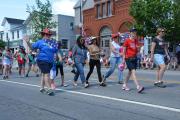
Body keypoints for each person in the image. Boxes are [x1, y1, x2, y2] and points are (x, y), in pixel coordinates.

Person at [25, 28, 58, 96]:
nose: (48, 36)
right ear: (43, 34)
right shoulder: (40, 42)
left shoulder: (52, 42)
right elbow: (32, 47)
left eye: (49, 35)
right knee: (47, 74)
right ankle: (49, 89)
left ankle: (41, 88)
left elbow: (55, 51)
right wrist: (28, 42)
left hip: (50, 61)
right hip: (42, 60)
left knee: (43, 74)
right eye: (47, 34)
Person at [122, 28, 144, 93]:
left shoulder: (136, 41)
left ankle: (124, 85)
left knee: (130, 73)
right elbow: (124, 51)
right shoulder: (127, 41)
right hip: (128, 58)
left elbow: (137, 50)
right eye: (133, 32)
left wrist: (138, 49)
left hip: (134, 58)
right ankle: (138, 86)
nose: (135, 34)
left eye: (135, 33)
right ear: (130, 33)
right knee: (133, 72)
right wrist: (123, 60)